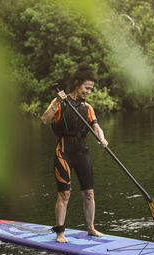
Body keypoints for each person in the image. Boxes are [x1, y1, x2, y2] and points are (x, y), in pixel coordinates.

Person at [41, 63, 108, 243]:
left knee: (89, 193)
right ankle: (60, 233)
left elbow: (96, 127)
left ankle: (91, 228)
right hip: (64, 152)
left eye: (91, 89)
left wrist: (102, 138)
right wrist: (56, 102)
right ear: (77, 83)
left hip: (82, 152)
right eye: (87, 87)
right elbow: (45, 120)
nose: (89, 91)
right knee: (65, 194)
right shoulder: (60, 103)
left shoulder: (88, 107)